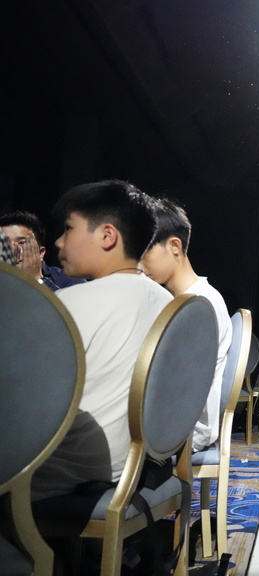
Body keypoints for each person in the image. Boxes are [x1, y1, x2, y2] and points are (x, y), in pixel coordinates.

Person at [32, 180, 173, 500]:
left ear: (108, 236)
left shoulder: (70, 303)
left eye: (69, 229)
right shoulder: (169, 304)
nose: (59, 242)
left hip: (60, 476)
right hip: (141, 468)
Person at [139, 197, 232, 453]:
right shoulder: (187, 300)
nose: (139, 265)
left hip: (183, 431)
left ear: (174, 246)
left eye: (145, 253)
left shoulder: (199, 306)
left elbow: (182, 388)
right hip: (173, 423)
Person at [1, 210, 85, 290]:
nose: (12, 249)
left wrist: (36, 278)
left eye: (22, 243)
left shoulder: (68, 279)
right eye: (5, 243)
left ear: (40, 253)